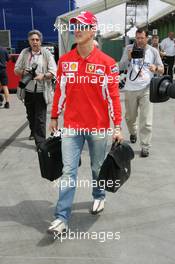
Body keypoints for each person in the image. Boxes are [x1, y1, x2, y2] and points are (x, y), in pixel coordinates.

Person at [48, 11, 123, 235]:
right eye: (74, 26)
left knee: (97, 167)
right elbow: (60, 91)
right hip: (71, 126)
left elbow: (113, 97)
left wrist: (117, 126)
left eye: (82, 26)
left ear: (93, 30)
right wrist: (54, 116)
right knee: (68, 170)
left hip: (98, 127)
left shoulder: (107, 64)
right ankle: (61, 218)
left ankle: (99, 196)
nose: (77, 30)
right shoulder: (65, 62)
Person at [119, 28, 164, 157]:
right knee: (130, 117)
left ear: (147, 38)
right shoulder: (129, 48)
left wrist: (155, 68)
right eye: (137, 38)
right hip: (130, 89)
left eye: (142, 38)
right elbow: (121, 66)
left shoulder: (153, 51)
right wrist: (128, 58)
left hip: (146, 89)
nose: (139, 41)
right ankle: (133, 132)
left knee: (146, 120)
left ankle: (145, 146)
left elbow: (161, 70)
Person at [14, 30, 57, 147]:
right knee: (30, 115)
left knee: (40, 118)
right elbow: (16, 69)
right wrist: (24, 72)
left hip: (41, 91)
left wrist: (44, 76)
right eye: (32, 40)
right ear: (29, 41)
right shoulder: (24, 52)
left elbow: (54, 71)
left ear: (40, 41)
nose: (35, 42)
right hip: (27, 91)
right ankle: (33, 131)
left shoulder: (46, 53)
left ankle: (40, 143)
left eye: (37, 40)